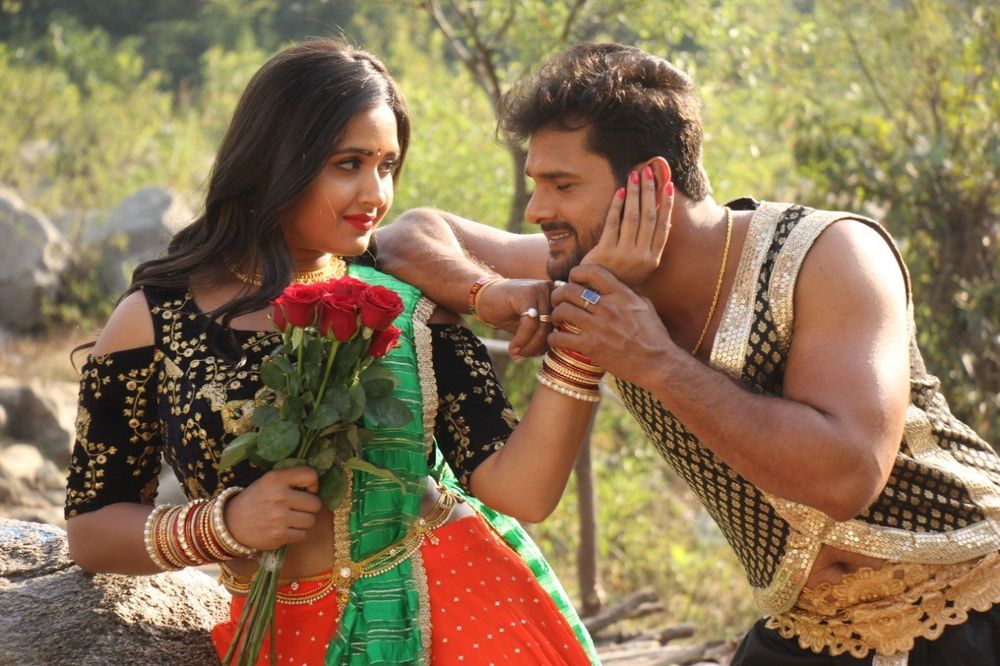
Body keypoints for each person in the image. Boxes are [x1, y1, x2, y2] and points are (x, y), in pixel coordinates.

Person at [375, 42, 1000, 665]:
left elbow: (847, 477)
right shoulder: (592, 265)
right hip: (811, 629)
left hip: (976, 595)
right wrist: (490, 293)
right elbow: (407, 235)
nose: (538, 209)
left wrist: (655, 361)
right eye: (537, 184)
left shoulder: (829, 254)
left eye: (562, 184)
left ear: (649, 183)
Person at [58, 38, 663, 665]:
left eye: (387, 166)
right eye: (349, 164)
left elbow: (523, 492)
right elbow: (91, 531)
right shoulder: (158, 319)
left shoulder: (405, 304)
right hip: (282, 639)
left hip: (458, 612)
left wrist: (585, 334)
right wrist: (225, 524)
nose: (376, 193)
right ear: (274, 160)